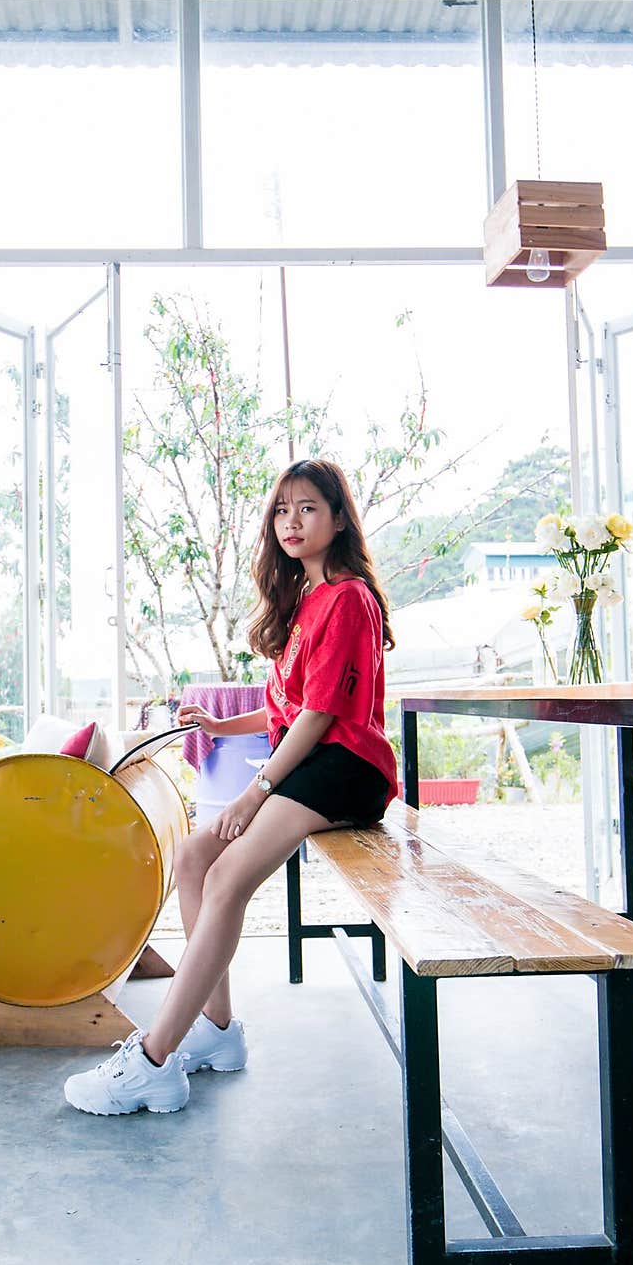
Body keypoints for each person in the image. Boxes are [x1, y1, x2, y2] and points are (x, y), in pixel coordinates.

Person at [63, 458, 397, 1116]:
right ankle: (217, 1031)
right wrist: (220, 724)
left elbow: (322, 715)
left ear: (337, 518)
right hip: (309, 768)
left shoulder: (349, 597)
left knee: (225, 877)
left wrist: (254, 792)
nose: (291, 522)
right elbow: (285, 709)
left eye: (307, 508)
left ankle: (156, 1058)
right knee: (194, 859)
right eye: (282, 510)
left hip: (347, 770)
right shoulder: (305, 603)